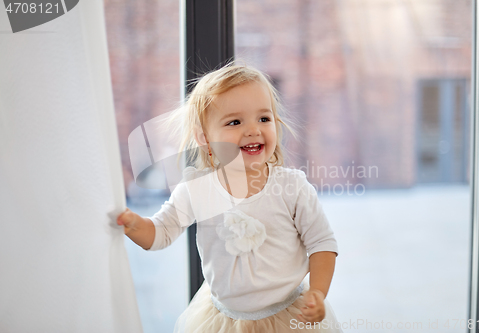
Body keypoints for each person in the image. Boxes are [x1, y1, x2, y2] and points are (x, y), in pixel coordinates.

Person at [117, 63, 343, 332]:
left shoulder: (291, 187)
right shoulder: (197, 189)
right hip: (224, 321)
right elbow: (161, 232)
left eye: (264, 118)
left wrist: (317, 292)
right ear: (205, 139)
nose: (253, 130)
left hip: (288, 316)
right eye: (235, 122)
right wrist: (134, 225)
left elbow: (322, 243)